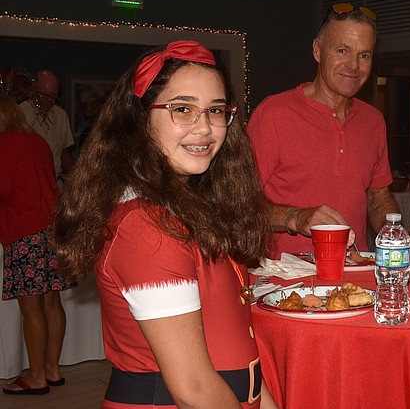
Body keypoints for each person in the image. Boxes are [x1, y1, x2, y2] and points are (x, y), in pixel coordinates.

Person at [52, 41, 277, 408]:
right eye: (182, 109)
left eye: (216, 110)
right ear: (139, 120)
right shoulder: (146, 227)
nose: (204, 128)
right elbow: (193, 388)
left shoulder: (189, 206)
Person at [247, 3, 398, 257]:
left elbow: (378, 197)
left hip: (354, 272)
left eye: (364, 55)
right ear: (317, 50)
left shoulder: (373, 120)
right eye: (342, 50)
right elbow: (239, 205)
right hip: (284, 276)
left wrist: (395, 238)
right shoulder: (273, 114)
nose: (354, 66)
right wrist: (297, 218)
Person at [0, 94, 75, 396]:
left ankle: (36, 377)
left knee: (31, 308)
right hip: (52, 228)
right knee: (52, 302)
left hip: (25, 230)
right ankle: (52, 370)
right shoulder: (36, 140)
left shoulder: (4, 144)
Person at [18, 70, 75, 181]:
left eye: (53, 95)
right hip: (28, 181)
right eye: (45, 95)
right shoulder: (20, 112)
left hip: (54, 180)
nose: (49, 100)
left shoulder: (60, 115)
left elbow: (62, 151)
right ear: (35, 91)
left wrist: (77, 177)